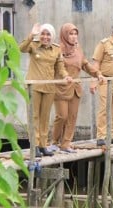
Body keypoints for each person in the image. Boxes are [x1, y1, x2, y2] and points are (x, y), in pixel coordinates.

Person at [19, 23, 72, 157]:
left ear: (52, 36)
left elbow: (60, 68)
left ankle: (43, 145)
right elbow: (21, 48)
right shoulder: (34, 45)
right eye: (43, 34)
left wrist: (66, 76)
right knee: (34, 116)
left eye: (48, 34)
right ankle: (35, 145)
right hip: (34, 87)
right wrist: (32, 35)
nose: (45, 37)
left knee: (45, 117)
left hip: (49, 88)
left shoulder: (56, 49)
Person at [51, 23, 104, 153]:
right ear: (64, 35)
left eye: (75, 34)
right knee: (62, 116)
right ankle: (54, 142)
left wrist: (97, 73)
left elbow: (85, 64)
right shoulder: (57, 50)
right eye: (71, 34)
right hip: (60, 89)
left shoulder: (78, 49)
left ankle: (66, 144)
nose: (74, 37)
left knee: (72, 117)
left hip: (75, 89)